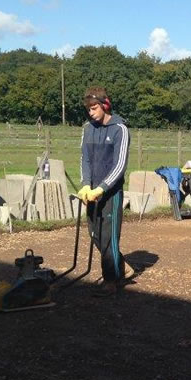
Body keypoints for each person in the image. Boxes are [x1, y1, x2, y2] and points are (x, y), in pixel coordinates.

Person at [77, 87, 133, 296]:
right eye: (88, 109)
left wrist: (102, 188)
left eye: (94, 108)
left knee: (109, 237)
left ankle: (112, 279)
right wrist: (86, 184)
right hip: (92, 192)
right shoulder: (88, 128)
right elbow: (86, 159)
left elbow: (119, 166)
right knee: (95, 234)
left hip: (111, 193)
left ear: (105, 105)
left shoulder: (120, 129)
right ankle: (122, 267)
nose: (91, 112)